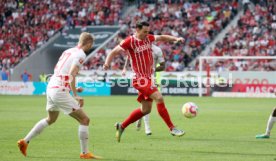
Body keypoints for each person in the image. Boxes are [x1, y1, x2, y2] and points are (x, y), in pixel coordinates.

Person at [17, 32, 101, 159]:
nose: (91, 47)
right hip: (59, 90)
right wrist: (75, 94)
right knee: (85, 120)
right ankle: (85, 153)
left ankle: (24, 141)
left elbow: (63, 72)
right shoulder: (81, 54)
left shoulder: (68, 51)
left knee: (51, 119)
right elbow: (72, 73)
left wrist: (72, 87)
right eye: (91, 44)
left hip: (52, 86)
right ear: (88, 43)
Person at [103, 21, 185, 142]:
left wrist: (176, 38)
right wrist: (107, 63)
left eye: (148, 32)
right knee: (159, 97)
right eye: (144, 32)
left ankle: (122, 126)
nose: (147, 34)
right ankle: (172, 128)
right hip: (139, 79)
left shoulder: (148, 39)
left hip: (148, 78)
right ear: (137, 29)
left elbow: (162, 37)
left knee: (146, 110)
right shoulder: (129, 41)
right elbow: (113, 52)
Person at [122, 44, 165, 135]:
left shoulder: (157, 49)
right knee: (146, 101)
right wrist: (124, 68)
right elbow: (128, 55)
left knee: (147, 104)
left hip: (152, 78)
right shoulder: (138, 47)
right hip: (141, 79)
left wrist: (153, 69)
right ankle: (147, 127)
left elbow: (162, 66)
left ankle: (139, 116)